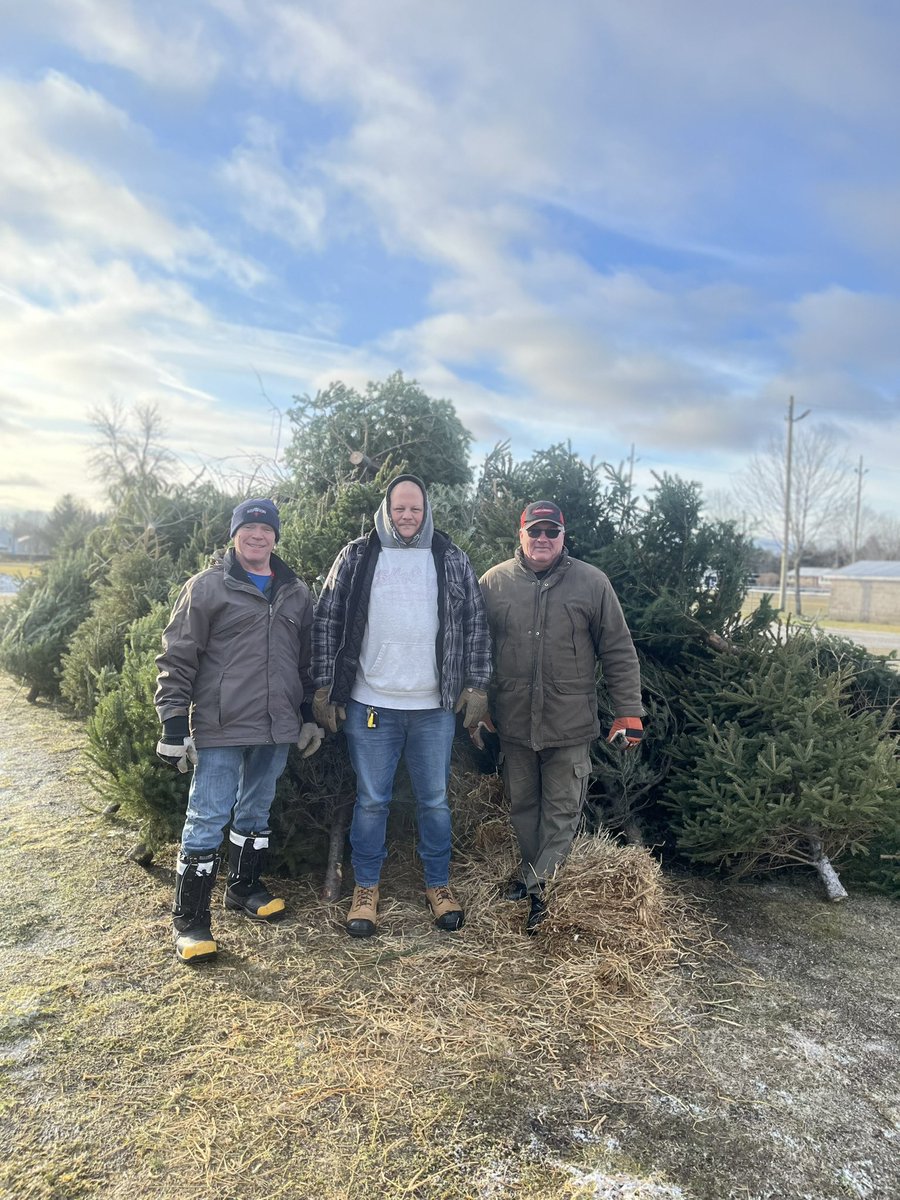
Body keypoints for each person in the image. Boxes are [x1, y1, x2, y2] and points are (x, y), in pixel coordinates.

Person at [312, 474, 491, 938]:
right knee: (373, 801)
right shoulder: (356, 555)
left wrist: (476, 685)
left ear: (426, 510)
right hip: (372, 705)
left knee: (434, 800)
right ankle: (366, 889)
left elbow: (475, 623)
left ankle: (438, 885)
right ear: (386, 510)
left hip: (434, 707)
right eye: (399, 508)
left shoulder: (451, 558)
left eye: (415, 508)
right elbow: (327, 618)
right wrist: (324, 688)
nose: (407, 516)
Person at [155, 498, 323, 965]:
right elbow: (177, 657)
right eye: (248, 527)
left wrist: (308, 714)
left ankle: (244, 887)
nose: (257, 535)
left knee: (256, 809)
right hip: (221, 726)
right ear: (234, 535)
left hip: (277, 727)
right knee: (207, 816)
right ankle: (189, 919)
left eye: (266, 528)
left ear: (275, 536)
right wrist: (172, 723)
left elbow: (305, 663)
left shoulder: (296, 593)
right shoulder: (207, 588)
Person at [478, 501, 643, 933]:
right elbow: (476, 651)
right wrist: (478, 705)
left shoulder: (592, 583)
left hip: (569, 724)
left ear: (563, 536)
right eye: (535, 531)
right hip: (513, 722)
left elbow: (619, 650)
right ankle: (533, 876)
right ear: (521, 535)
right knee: (523, 807)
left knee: (562, 809)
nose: (543, 539)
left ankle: (541, 890)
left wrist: (628, 711)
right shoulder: (493, 583)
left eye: (551, 531)